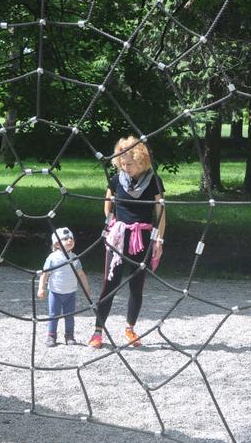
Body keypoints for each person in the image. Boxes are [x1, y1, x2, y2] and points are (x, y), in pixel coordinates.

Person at [88, 136, 166, 349]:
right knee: (109, 285)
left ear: (141, 160)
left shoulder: (154, 181)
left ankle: (130, 329)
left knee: (136, 286)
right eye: (122, 164)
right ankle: (97, 332)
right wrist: (111, 223)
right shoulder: (116, 180)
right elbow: (108, 203)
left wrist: (159, 238)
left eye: (130, 164)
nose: (126, 167)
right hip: (119, 237)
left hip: (141, 239)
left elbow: (160, 211)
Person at [37, 227, 91, 347]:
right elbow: (45, 274)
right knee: (53, 315)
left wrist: (86, 289)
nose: (70, 240)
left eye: (71, 238)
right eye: (65, 238)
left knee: (69, 315)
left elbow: (81, 274)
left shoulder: (75, 258)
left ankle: (69, 335)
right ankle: (51, 336)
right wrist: (41, 288)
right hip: (55, 292)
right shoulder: (52, 258)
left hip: (71, 292)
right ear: (57, 244)